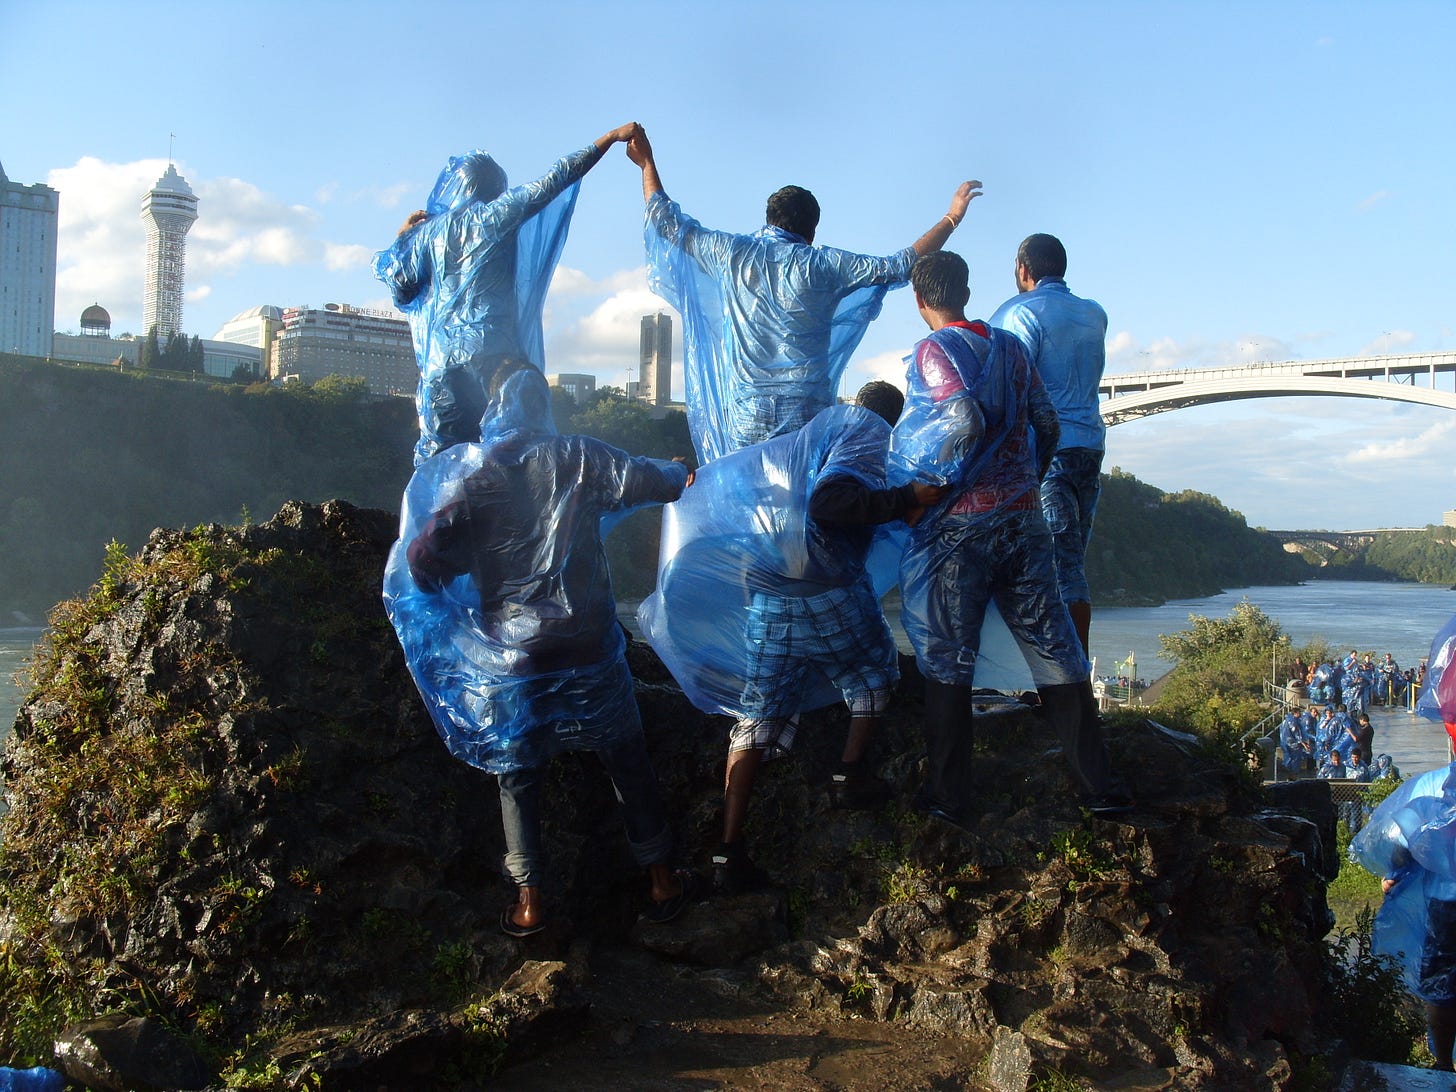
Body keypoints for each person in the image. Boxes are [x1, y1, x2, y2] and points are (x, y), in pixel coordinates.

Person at [392, 362, 694, 935]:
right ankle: (661, 882)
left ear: (493, 406)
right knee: (626, 760)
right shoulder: (578, 455)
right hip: (588, 647)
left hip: (514, 657)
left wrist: (448, 587)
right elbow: (649, 480)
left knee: (518, 772)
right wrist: (677, 472)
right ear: (541, 402)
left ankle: (530, 902)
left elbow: (424, 555)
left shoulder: (475, 475)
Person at [891, 251, 1128, 823]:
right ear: (968, 290)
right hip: (1023, 522)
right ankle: (1101, 788)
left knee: (949, 656)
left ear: (920, 300)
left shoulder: (933, 350)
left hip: (960, 528)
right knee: (1053, 647)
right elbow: (1046, 423)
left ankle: (949, 796)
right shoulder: (1011, 348)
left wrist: (938, 484)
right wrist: (1027, 478)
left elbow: (961, 419)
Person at [712, 382, 949, 893]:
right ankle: (849, 775)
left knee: (755, 717)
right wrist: (907, 497)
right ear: (890, 421)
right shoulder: (866, 436)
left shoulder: (804, 443)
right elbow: (830, 503)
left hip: (768, 599)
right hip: (827, 596)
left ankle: (726, 851)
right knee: (875, 672)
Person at [628, 125, 979, 461]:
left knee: (754, 502)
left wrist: (647, 163)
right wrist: (951, 218)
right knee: (803, 507)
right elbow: (900, 265)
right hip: (805, 410)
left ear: (768, 219)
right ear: (812, 230)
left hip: (746, 412)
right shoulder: (823, 265)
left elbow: (666, 223)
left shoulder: (730, 254)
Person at [376, 123, 641, 465]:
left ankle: (430, 517)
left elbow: (400, 283)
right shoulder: (496, 216)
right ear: (493, 188)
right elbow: (555, 180)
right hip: (492, 353)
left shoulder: (430, 235)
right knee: (507, 452)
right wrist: (607, 139)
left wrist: (402, 237)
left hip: (442, 361)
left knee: (440, 459)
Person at [990, 234, 1107, 656]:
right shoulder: (1095, 314)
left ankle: (1066, 676)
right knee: (1070, 560)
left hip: (1048, 454)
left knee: (1057, 567)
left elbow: (1007, 379)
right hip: (1090, 449)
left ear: (1023, 269)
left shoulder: (1021, 312)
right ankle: (1058, 672)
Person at [1351, 763, 1456, 1072]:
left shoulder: (1435, 782)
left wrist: (1397, 872)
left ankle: (1443, 1063)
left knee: (1441, 986)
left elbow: (1396, 834)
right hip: (1445, 901)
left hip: (1446, 901)